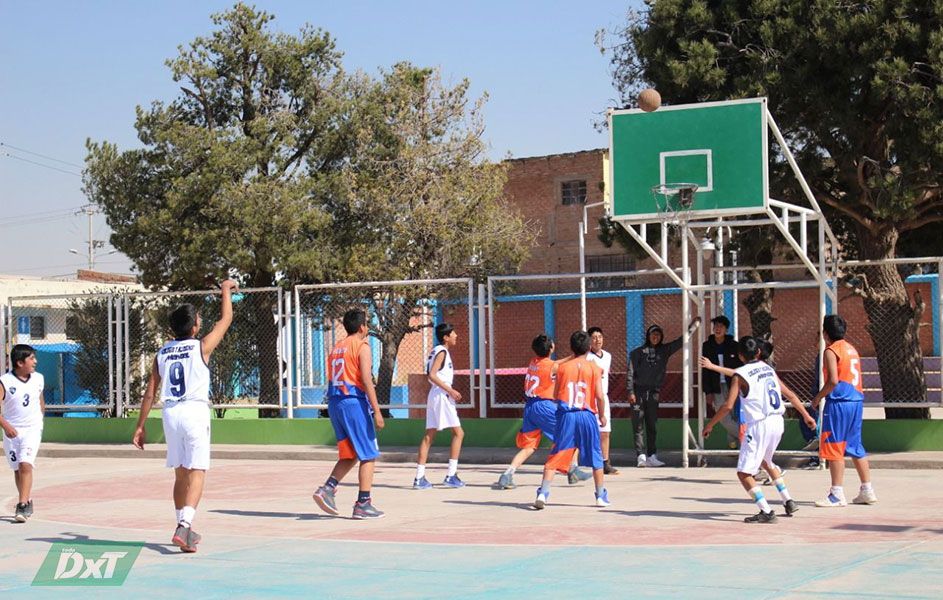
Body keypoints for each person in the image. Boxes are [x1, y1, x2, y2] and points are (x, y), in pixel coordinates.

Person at [133, 279, 238, 552]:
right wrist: (225, 289)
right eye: (199, 319)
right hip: (193, 410)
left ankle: (184, 528)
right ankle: (186, 525)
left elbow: (150, 392)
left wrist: (140, 426)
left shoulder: (162, 352)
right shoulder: (201, 346)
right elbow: (226, 318)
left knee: (180, 474)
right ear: (194, 327)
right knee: (198, 471)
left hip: (170, 413)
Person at [703, 337, 817, 523]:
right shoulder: (768, 369)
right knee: (767, 461)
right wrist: (806, 415)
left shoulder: (741, 375)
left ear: (740, 356)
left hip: (758, 425)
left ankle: (766, 511)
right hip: (777, 422)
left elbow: (728, 406)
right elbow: (790, 395)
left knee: (744, 473)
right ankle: (788, 500)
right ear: (758, 352)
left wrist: (710, 424)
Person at [312, 309, 386, 519]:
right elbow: (365, 379)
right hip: (353, 402)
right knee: (369, 454)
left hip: (335, 402)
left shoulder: (337, 347)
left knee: (350, 453)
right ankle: (363, 503)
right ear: (362, 327)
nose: (368, 327)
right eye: (368, 323)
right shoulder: (361, 346)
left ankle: (328, 489)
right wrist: (377, 411)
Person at [496, 334, 589, 489]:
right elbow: (560, 366)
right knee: (573, 432)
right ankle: (573, 469)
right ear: (551, 348)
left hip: (530, 407)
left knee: (529, 447)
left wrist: (570, 356)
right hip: (544, 406)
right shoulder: (551, 366)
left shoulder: (534, 362)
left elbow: (554, 364)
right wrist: (576, 355)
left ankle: (507, 474)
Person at [534, 330, 610, 510]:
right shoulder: (594, 368)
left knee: (556, 453)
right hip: (586, 415)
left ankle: (543, 493)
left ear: (571, 347)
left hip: (567, 414)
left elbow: (555, 394)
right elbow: (599, 395)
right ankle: (600, 495)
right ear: (589, 347)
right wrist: (601, 415)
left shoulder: (562, 368)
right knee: (595, 455)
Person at [812, 315, 877, 507]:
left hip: (839, 403)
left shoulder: (831, 351)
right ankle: (867, 490)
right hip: (856, 401)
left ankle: (836, 494)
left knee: (834, 446)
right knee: (856, 446)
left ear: (825, 333)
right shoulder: (851, 349)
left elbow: (832, 380)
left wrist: (818, 397)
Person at [627, 319, 698, 467]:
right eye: (653, 334)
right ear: (648, 336)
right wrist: (631, 391)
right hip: (638, 393)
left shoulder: (664, 351)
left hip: (653, 393)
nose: (656, 337)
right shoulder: (637, 353)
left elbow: (680, 341)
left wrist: (692, 328)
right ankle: (641, 456)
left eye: (658, 335)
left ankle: (652, 455)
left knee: (652, 425)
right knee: (638, 424)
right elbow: (630, 373)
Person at [414, 323, 465, 489]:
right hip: (442, 395)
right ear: (446, 337)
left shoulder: (437, 351)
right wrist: (451, 390)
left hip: (436, 395)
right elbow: (432, 375)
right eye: (453, 333)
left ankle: (419, 477)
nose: (456, 335)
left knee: (429, 436)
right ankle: (451, 475)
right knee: (458, 433)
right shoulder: (442, 352)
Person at [1, 344, 45, 523]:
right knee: (18, 469)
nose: (35, 361)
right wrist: (6, 425)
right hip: (12, 429)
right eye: (31, 358)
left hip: (32, 429)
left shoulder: (39, 378)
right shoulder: (5, 381)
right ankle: (26, 500)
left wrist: (39, 420)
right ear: (20, 362)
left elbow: (40, 401)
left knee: (26, 464)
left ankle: (22, 505)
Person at [700, 316, 741, 449]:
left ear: (726, 329)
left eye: (721, 326)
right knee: (723, 416)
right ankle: (746, 436)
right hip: (716, 385)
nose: (718, 329)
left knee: (735, 414)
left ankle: (735, 445)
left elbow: (739, 366)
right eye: (716, 326)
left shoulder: (734, 345)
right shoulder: (707, 346)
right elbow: (705, 370)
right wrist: (708, 391)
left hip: (733, 383)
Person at [587, 327, 618, 475]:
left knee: (605, 431)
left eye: (600, 336)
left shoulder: (608, 356)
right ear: (589, 340)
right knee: (585, 432)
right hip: (588, 398)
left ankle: (605, 462)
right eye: (594, 337)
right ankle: (574, 463)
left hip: (602, 397)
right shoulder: (585, 357)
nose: (597, 339)